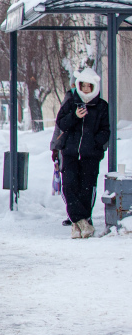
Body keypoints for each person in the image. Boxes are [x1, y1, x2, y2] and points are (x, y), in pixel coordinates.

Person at [55, 67, 110, 239]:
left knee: (87, 189)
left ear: (94, 87)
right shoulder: (71, 103)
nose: (86, 90)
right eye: (83, 86)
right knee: (69, 186)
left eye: (89, 87)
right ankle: (80, 221)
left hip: (90, 156)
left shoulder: (101, 106)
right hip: (70, 153)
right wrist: (75, 116)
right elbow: (61, 124)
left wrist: (94, 144)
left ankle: (81, 222)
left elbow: (105, 131)